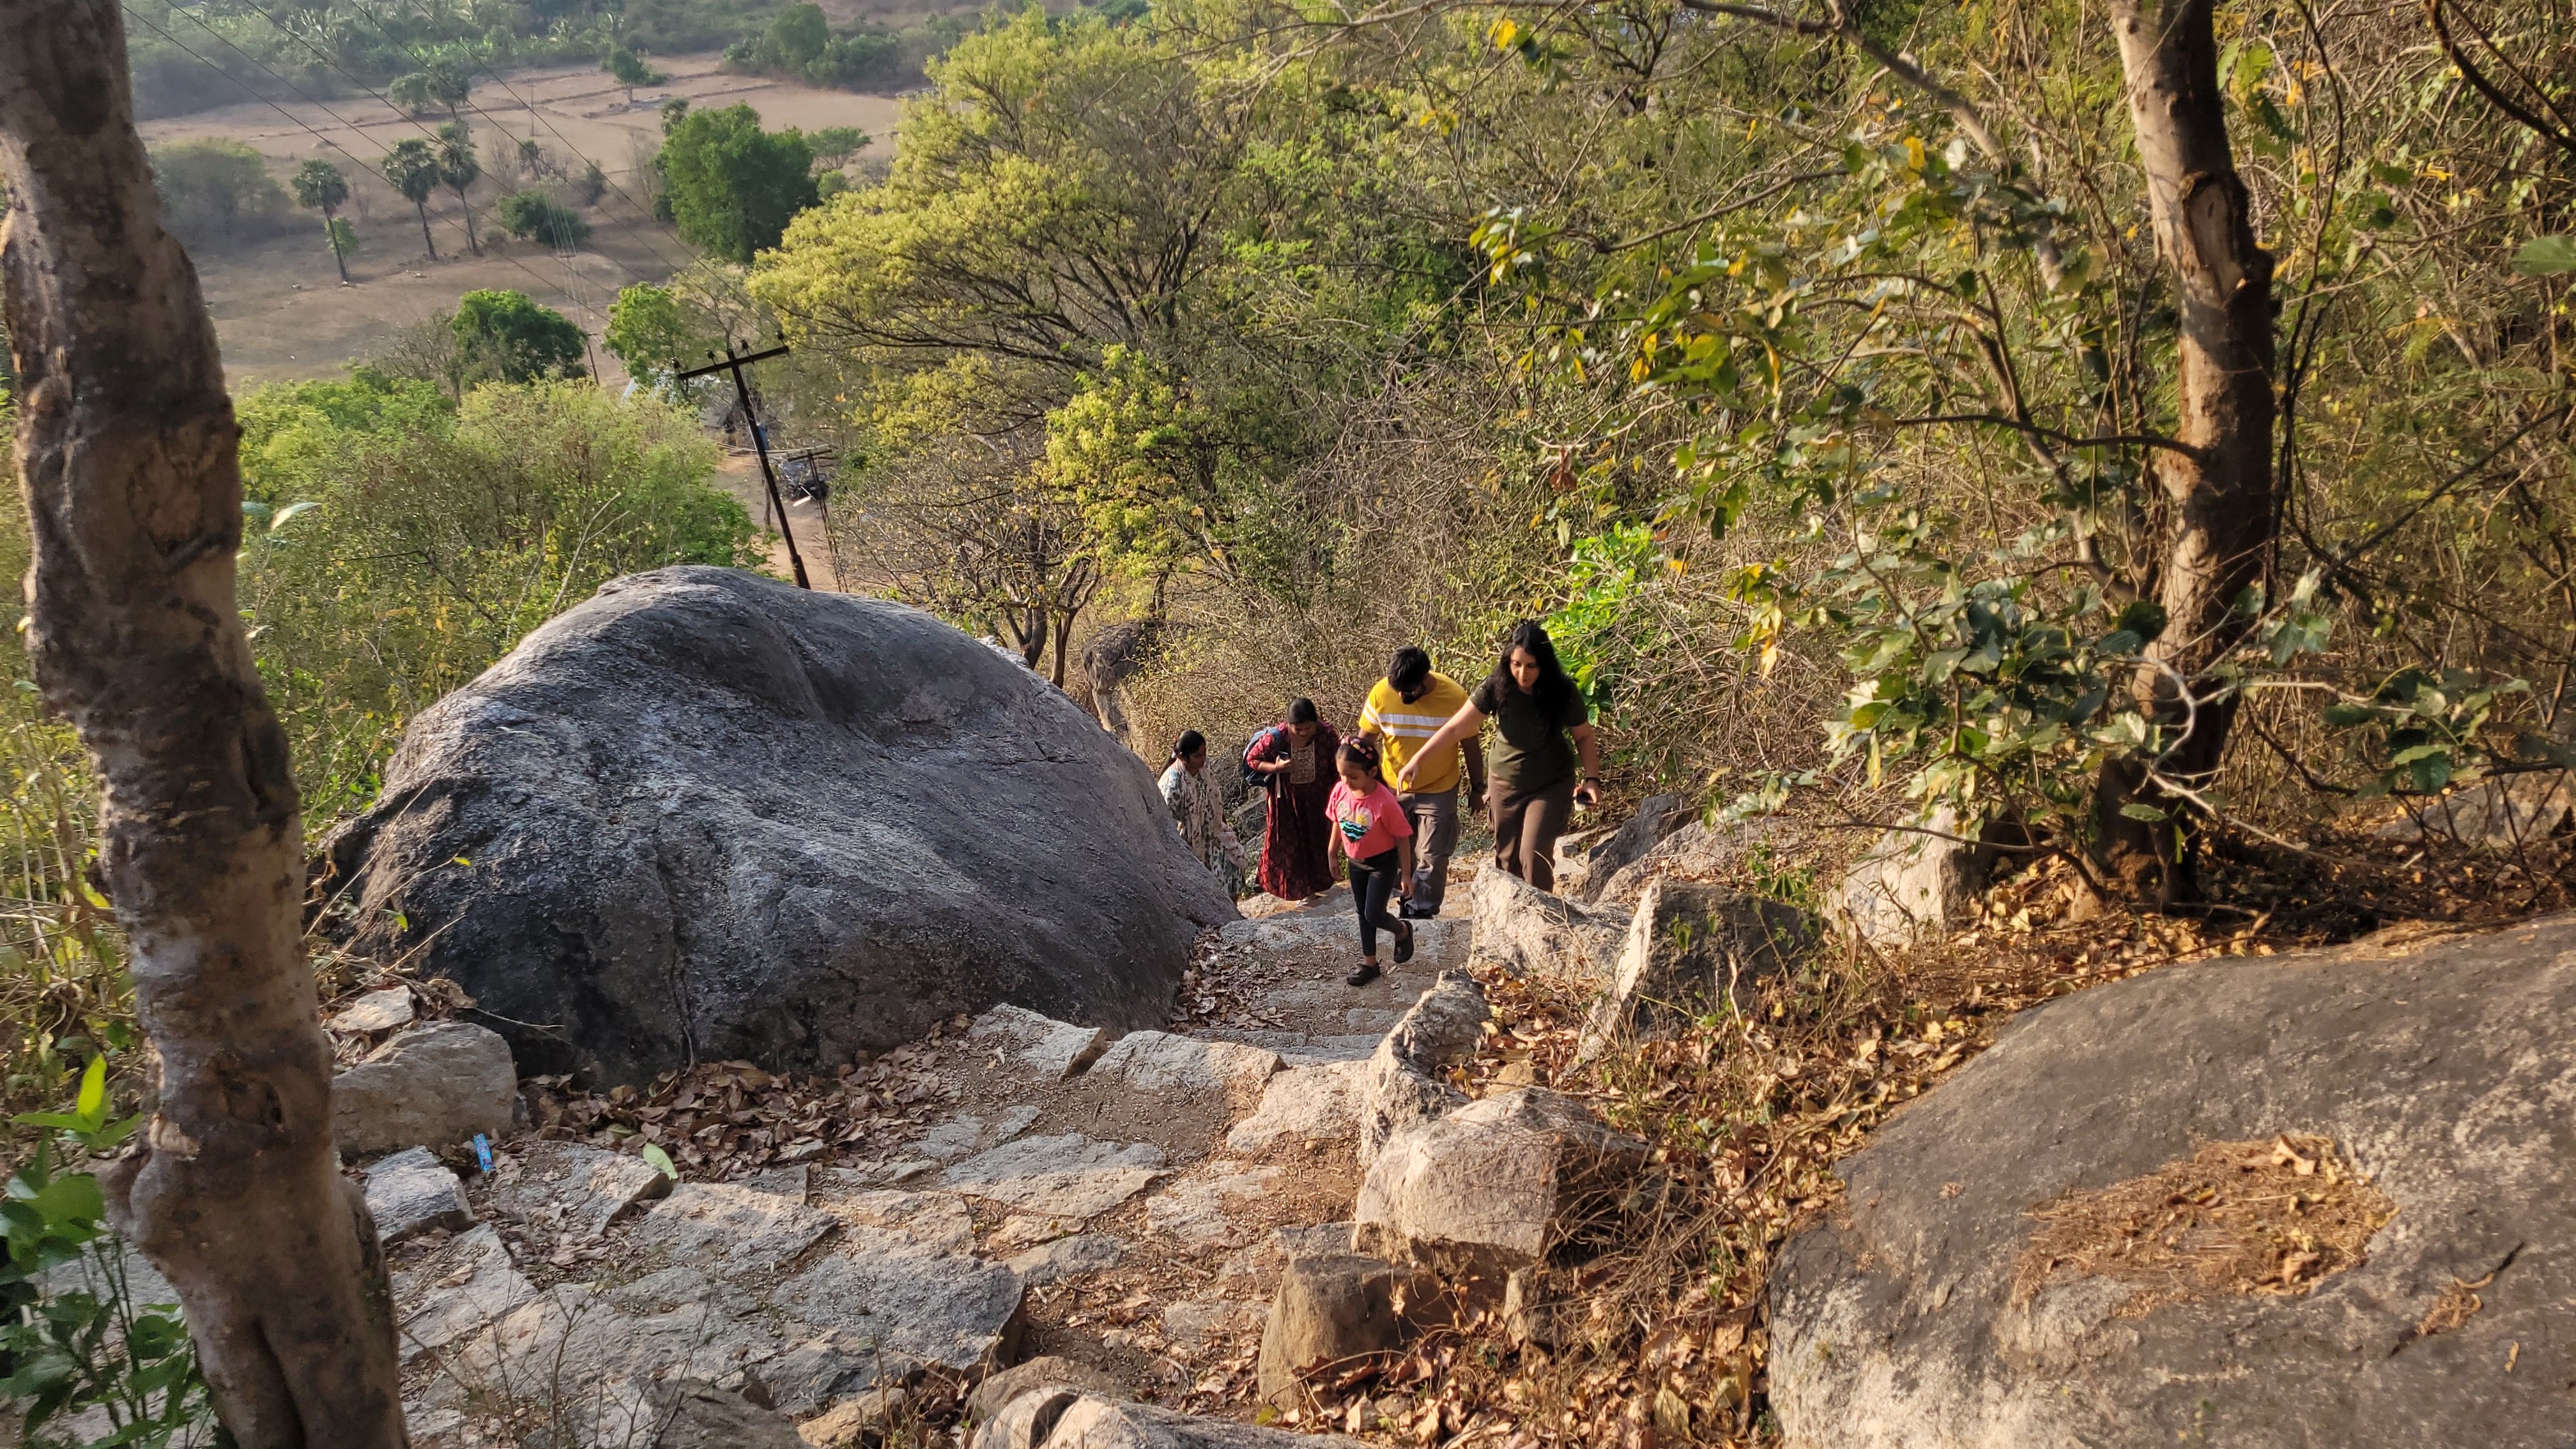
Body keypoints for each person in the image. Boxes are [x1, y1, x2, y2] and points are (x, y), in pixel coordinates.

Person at [1400, 620, 1602, 893]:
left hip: (1550, 783)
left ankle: (1542, 915)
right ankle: (1511, 916)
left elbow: (1584, 736)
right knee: (1507, 862)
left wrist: (1592, 780)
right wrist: (1417, 760)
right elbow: (1456, 728)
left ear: (1544, 664)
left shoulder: (1561, 690)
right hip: (1505, 783)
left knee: (1533, 856)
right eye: (1516, 664)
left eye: (1531, 666)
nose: (1523, 673)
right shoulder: (1497, 685)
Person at [1358, 645, 1483, 919]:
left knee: (1432, 855)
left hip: (1439, 789)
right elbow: (1366, 740)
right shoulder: (1380, 694)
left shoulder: (1454, 697)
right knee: (1397, 852)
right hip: (1393, 789)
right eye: (1397, 690)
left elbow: (1470, 745)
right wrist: (1363, 784)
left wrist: (1478, 788)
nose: (1401, 696)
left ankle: (1421, 912)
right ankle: (1403, 901)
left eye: (1408, 691)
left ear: (1426, 678)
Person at [1327, 735, 1414, 986]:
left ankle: (1402, 930)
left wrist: (1406, 874)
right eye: (1342, 775)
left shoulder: (1384, 801)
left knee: (1374, 913)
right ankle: (1370, 962)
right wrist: (1332, 853)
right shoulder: (1341, 790)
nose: (1346, 781)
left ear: (1372, 772)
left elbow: (1402, 837)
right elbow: (1337, 821)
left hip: (1381, 864)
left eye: (1353, 776)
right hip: (1355, 862)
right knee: (1362, 912)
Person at [1245, 698, 1340, 901]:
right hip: (1286, 804)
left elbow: (1337, 768)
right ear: (1289, 725)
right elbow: (1253, 760)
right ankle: (1300, 892)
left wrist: (1339, 797)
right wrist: (1276, 768)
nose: (1304, 733)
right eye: (1298, 729)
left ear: (1316, 723)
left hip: (1319, 802)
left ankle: (1318, 886)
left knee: (1318, 843)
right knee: (1289, 848)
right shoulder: (1276, 738)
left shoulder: (1327, 736)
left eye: (1308, 728)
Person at [1159, 730, 1246, 898]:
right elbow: (1166, 824)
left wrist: (1223, 827)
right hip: (1191, 845)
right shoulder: (1173, 785)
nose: (1203, 759)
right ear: (1183, 757)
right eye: (1198, 756)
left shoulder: (1203, 768)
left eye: (1204, 754)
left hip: (1213, 836)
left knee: (1234, 870)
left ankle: (1234, 912)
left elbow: (1214, 798)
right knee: (1211, 893)